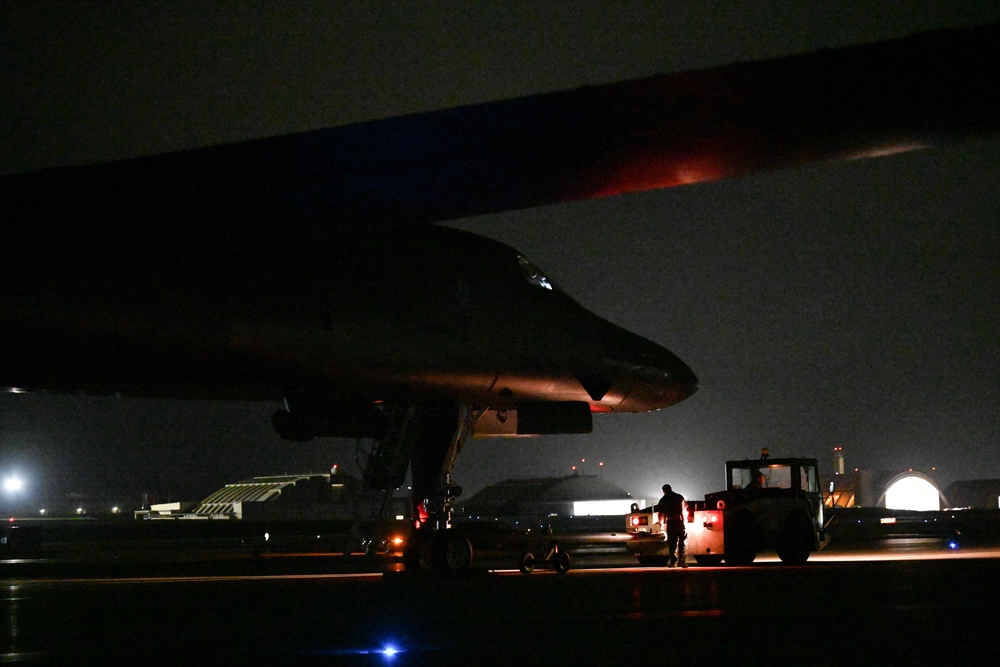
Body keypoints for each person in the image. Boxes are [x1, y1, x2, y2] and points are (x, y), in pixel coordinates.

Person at [656, 483, 687, 568]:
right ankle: (682, 561)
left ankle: (673, 562)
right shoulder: (680, 497)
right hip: (680, 521)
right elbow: (685, 509)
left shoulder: (663, 500)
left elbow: (660, 514)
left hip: (671, 522)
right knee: (682, 541)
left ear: (664, 491)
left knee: (672, 542)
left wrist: (661, 523)